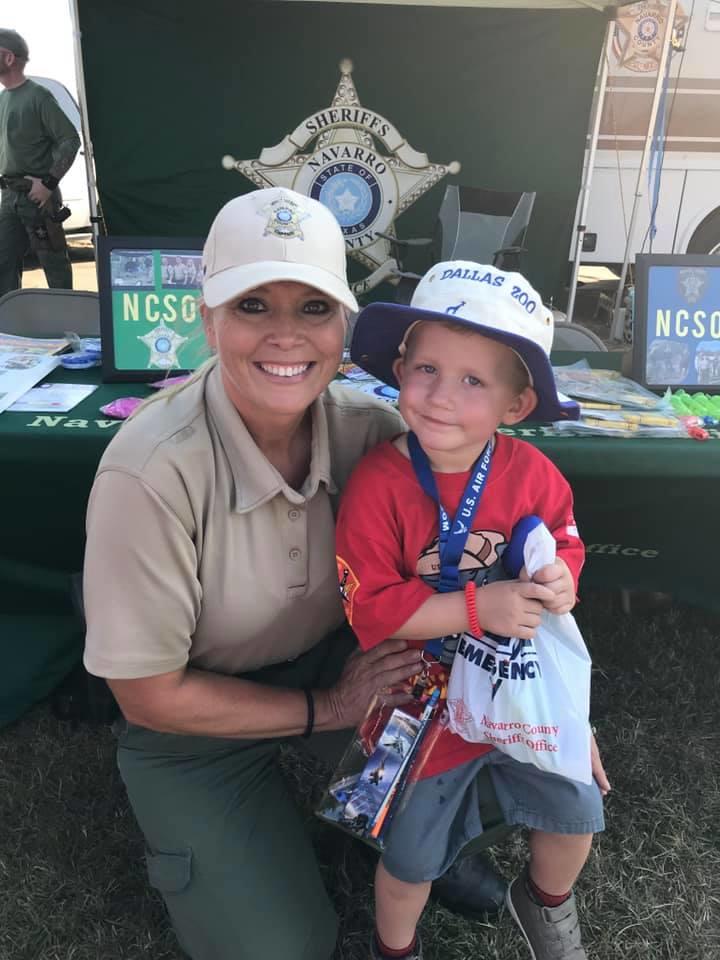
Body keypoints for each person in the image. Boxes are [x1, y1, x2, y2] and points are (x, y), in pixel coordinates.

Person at [83, 187, 507, 960]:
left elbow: (474, 550)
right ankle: (287, 824)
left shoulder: (374, 432)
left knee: (486, 739)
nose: (286, 336)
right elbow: (146, 693)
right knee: (281, 949)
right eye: (252, 306)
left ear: (345, 326)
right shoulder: (149, 471)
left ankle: (411, 828)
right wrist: (326, 709)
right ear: (207, 320)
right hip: (189, 718)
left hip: (336, 658)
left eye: (313, 308)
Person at [335, 261, 612, 960]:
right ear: (399, 368)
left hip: (520, 682)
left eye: (473, 381)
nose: (439, 397)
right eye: (425, 368)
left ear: (514, 405)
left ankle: (544, 903)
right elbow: (372, 610)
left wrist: (559, 579)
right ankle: (394, 948)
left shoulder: (533, 474)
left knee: (578, 810)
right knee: (408, 859)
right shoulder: (377, 484)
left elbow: (566, 539)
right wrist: (476, 604)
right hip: (418, 694)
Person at [0, 28, 80, 296]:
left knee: (54, 268)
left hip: (38, 199)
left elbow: (70, 140)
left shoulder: (38, 96)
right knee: (3, 266)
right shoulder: (3, 99)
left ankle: (69, 330)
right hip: (9, 197)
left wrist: (48, 183)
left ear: (9, 58)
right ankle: (8, 331)